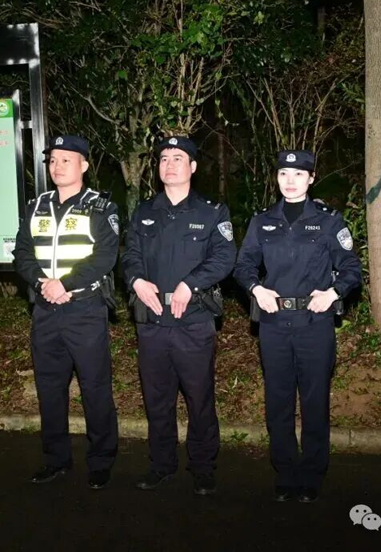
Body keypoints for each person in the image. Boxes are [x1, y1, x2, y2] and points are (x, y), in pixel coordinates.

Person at [233, 150, 361, 503]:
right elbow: (243, 265)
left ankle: (312, 473)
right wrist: (256, 289)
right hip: (274, 324)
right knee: (278, 400)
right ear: (276, 178)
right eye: (284, 174)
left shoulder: (329, 221)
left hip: (314, 323)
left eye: (298, 174)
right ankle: (286, 470)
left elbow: (351, 267)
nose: (290, 181)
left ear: (311, 178)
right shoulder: (262, 221)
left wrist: (333, 292)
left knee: (314, 400)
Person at [121, 136, 236, 496]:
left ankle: (203, 466)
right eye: (164, 159)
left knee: (199, 398)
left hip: (194, 320)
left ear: (193, 167)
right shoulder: (144, 211)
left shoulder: (212, 212)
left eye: (177, 158)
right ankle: (161, 464)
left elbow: (224, 257)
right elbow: (130, 254)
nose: (169, 165)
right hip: (153, 320)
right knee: (157, 399)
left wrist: (191, 284)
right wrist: (136, 280)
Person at [13, 134, 120, 490]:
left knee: (95, 387)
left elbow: (105, 256)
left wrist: (65, 283)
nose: (57, 167)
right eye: (53, 160)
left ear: (84, 166)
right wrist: (42, 282)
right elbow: (22, 252)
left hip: (84, 310)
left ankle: (101, 461)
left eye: (66, 160)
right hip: (45, 310)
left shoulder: (100, 207)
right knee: (49, 388)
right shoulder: (37, 206)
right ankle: (56, 459)